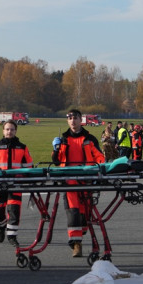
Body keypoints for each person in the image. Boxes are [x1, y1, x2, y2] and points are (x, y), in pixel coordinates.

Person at [52, 108, 105, 258]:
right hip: (69, 182)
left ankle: (81, 234)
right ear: (67, 121)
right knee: (73, 212)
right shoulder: (63, 139)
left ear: (80, 120)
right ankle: (76, 244)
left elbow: (100, 158)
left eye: (75, 117)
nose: (72, 120)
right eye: (69, 118)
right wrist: (55, 149)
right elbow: (56, 161)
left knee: (85, 214)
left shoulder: (90, 139)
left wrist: (98, 172)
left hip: (86, 181)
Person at [0, 119, 33, 247]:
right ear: (3, 131)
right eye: (7, 129)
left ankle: (12, 237)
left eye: (12, 129)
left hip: (15, 184)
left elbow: (29, 167)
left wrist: (24, 179)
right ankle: (1, 225)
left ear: (16, 131)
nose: (9, 131)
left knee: (14, 210)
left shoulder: (22, 147)